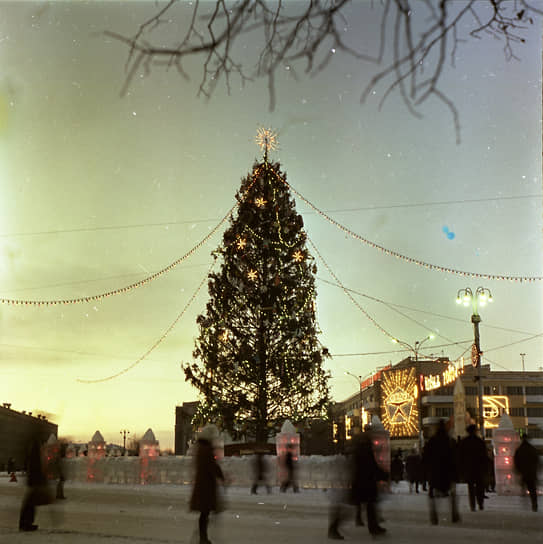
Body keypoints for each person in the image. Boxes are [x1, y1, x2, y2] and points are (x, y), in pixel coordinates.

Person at [189, 425, 225, 544]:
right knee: (205, 513)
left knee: (205, 513)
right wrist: (220, 475)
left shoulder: (201, 447)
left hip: (204, 484)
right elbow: (211, 465)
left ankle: (202, 537)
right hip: (206, 486)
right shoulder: (206, 449)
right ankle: (202, 538)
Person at [350, 428, 388, 536]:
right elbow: (370, 464)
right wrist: (382, 474)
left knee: (366, 504)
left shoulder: (361, 446)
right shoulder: (365, 447)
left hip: (362, 480)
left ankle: (371, 525)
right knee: (368, 504)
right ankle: (373, 527)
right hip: (365, 481)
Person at [423, 420, 460, 525]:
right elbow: (455, 458)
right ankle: (454, 514)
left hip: (435, 473)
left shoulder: (432, 441)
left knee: (432, 495)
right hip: (448, 472)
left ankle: (434, 516)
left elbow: (426, 458)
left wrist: (426, 472)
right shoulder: (450, 441)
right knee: (452, 494)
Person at [19, 434, 51, 531]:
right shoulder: (35, 448)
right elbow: (36, 465)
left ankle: (26, 523)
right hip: (34, 479)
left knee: (31, 502)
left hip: (34, 479)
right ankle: (25, 523)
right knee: (30, 503)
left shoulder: (35, 446)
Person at [458, 424, 487, 512]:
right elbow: (484, 456)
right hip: (478, 467)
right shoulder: (479, 442)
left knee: (471, 487)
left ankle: (472, 505)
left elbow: (460, 457)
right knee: (480, 486)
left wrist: (461, 469)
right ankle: (480, 503)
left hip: (469, 468)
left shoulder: (464, 442)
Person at [513, 434, 540, 513]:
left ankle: (526, 504)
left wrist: (518, 470)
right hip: (531, 472)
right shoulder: (532, 449)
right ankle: (534, 505)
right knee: (532, 490)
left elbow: (516, 462)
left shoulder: (519, 450)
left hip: (524, 472)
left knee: (525, 487)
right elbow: (536, 460)